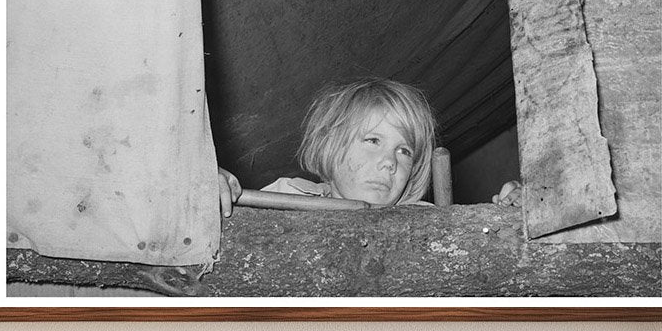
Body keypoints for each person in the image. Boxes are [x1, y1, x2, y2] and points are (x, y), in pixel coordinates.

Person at [217, 78, 519, 217]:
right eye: (373, 141)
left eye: (405, 151)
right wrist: (213, 188)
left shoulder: (424, 218)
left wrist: (509, 210)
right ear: (331, 144)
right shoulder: (285, 196)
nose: (390, 162)